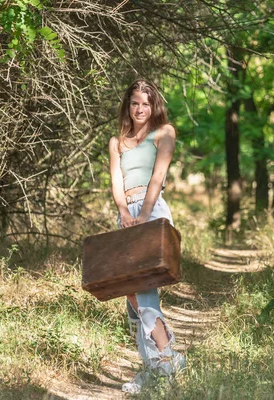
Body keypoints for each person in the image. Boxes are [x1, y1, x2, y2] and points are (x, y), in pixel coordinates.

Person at [109, 78, 185, 394]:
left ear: (154, 106)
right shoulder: (117, 142)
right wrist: (125, 213)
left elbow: (158, 176)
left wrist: (143, 215)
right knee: (131, 293)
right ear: (128, 105)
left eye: (146, 103)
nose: (141, 109)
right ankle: (160, 362)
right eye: (136, 103)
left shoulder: (164, 133)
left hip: (151, 211)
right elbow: (116, 180)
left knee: (144, 289)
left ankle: (161, 363)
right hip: (126, 215)